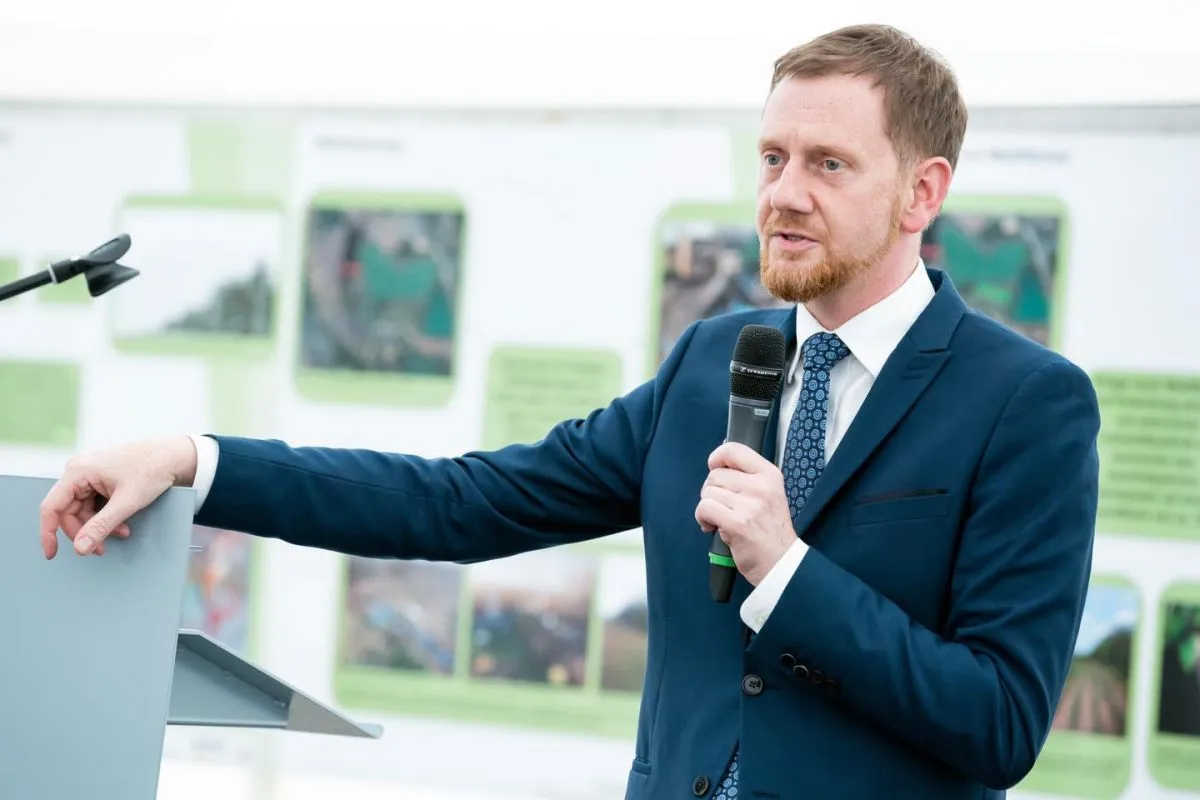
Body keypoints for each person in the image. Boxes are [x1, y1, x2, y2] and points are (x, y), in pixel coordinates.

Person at [39, 23, 1100, 800]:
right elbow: (460, 502)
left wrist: (786, 570)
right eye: (773, 157)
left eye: (829, 164)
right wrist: (197, 460)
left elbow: (1001, 721)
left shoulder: (1025, 403)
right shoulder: (714, 361)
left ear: (922, 193)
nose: (783, 193)